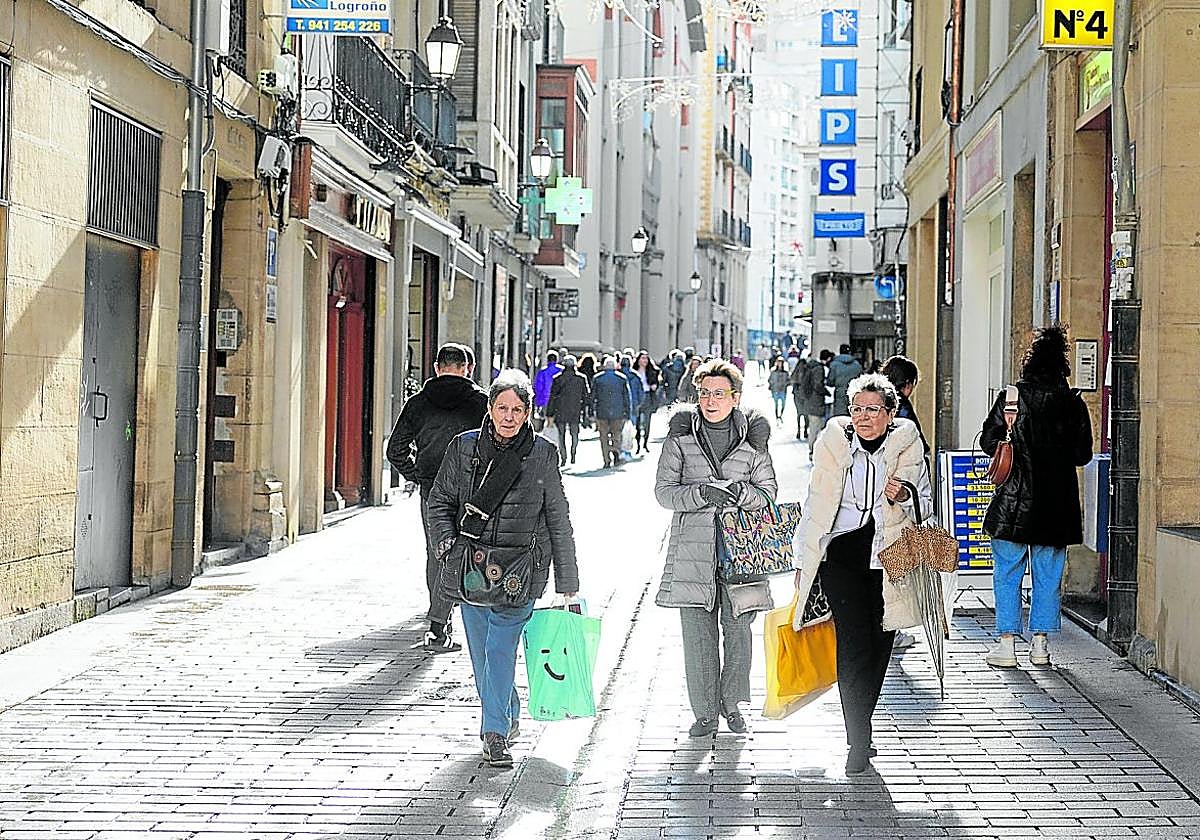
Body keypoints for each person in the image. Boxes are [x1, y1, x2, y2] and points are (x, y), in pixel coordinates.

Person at [426, 370, 579, 768]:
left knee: (499, 649)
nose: (509, 416)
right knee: (483, 659)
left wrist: (568, 582)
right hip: (472, 569)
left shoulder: (543, 454)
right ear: (490, 409)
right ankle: (505, 712)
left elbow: (557, 517)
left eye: (517, 409)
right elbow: (439, 501)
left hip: (519, 573)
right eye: (501, 408)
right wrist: (447, 545)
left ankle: (493, 733)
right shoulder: (464, 448)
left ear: (528, 413)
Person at [792, 373, 932, 774]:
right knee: (853, 645)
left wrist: (904, 494)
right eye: (857, 408)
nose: (864, 416)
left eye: (873, 409)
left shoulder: (907, 446)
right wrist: (805, 560)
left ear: (891, 413)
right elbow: (816, 502)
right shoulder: (835, 445)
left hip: (890, 559)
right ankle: (858, 738)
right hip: (842, 557)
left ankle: (861, 724)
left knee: (881, 644)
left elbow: (924, 496)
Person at [655, 360, 777, 738]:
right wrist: (700, 493)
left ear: (735, 398)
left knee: (739, 634)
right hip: (693, 552)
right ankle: (705, 713)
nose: (710, 400)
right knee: (697, 637)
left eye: (718, 394)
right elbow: (663, 492)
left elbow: (769, 493)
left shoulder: (753, 441)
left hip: (743, 552)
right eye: (704, 393)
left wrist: (742, 494)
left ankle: (733, 704)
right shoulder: (680, 438)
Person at [980, 326, 1093, 669]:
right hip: (1056, 506)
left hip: (1015, 501)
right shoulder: (1073, 403)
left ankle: (1007, 645)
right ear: (1062, 366)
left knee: (1008, 572)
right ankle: (1041, 646)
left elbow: (989, 442)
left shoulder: (1012, 398)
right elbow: (1082, 454)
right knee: (1048, 575)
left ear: (1029, 363)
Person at [386, 342, 488, 654]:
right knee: (476, 551)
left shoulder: (418, 403)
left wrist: (417, 474)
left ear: (436, 368)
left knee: (438, 552)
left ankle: (439, 622)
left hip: (434, 491)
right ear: (467, 368)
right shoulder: (481, 402)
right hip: (475, 492)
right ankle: (473, 613)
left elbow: (395, 450)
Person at [546, 354, 589, 467]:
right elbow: (586, 397)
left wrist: (549, 413)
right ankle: (573, 453)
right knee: (574, 434)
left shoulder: (557, 379)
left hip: (560, 410)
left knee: (561, 435)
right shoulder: (581, 378)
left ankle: (563, 456)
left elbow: (553, 397)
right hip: (575, 410)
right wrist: (586, 412)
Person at [592, 356, 632, 468]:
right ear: (615, 366)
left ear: (605, 366)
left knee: (603, 436)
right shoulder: (622, 378)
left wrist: (591, 410)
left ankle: (606, 460)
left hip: (602, 411)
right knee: (617, 434)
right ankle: (616, 452)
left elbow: (593, 396)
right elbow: (627, 397)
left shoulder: (597, 378)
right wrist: (628, 412)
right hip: (618, 412)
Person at [791, 351, 827, 448]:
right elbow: (817, 385)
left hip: (801, 396)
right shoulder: (815, 369)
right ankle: (805, 431)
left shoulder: (804, 368)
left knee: (801, 414)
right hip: (810, 398)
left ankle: (800, 431)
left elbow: (793, 380)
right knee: (811, 420)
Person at [632, 350, 661, 453]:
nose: (644, 360)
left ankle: (645, 443)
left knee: (647, 422)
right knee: (637, 422)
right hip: (638, 397)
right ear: (638, 360)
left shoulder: (652, 371)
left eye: (646, 358)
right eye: (642, 358)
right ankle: (638, 444)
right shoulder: (633, 371)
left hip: (648, 396)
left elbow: (656, 383)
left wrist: (655, 386)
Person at [827, 344, 864, 417]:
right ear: (850, 352)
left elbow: (830, 382)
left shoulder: (834, 364)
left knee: (840, 418)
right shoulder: (857, 365)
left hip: (840, 393)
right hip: (854, 393)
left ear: (840, 352)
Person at [619, 354, 645, 459]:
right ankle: (627, 451)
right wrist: (638, 404)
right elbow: (641, 392)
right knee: (630, 431)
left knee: (619, 431)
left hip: (619, 407)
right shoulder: (636, 376)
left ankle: (620, 450)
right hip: (633, 407)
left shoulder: (618, 375)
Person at [533, 350, 562, 422]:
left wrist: (538, 400)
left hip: (545, 398)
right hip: (559, 398)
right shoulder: (561, 370)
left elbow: (538, 387)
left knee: (546, 419)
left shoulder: (543, 371)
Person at [578, 353, 597, 427]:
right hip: (591, 391)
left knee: (582, 405)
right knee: (590, 405)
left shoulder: (580, 370)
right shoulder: (594, 372)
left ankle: (583, 418)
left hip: (581, 391)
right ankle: (589, 418)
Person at [767, 357, 790, 422]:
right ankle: (777, 416)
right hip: (775, 390)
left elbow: (789, 380)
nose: (780, 364)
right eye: (778, 362)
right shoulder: (773, 371)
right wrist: (772, 385)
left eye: (781, 362)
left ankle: (781, 414)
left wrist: (786, 383)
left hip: (783, 390)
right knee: (776, 404)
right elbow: (770, 380)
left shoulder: (786, 372)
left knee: (783, 404)